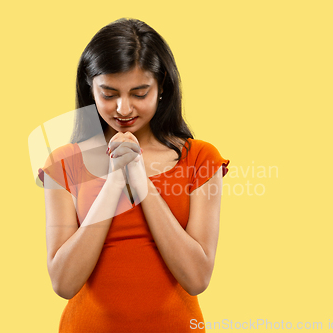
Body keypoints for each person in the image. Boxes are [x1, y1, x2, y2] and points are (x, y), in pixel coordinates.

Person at [37, 18, 230, 333]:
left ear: (162, 86)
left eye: (139, 93)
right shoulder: (64, 163)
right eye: (109, 93)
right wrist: (115, 180)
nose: (123, 109)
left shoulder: (200, 159)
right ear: (90, 89)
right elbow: (63, 282)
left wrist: (140, 180)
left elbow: (197, 278)